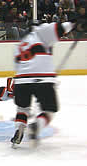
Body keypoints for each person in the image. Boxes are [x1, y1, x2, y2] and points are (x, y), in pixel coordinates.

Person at [11, 18, 86, 147]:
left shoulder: (21, 44)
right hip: (43, 79)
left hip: (21, 80)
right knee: (50, 110)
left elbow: (18, 65)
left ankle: (20, 128)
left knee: (22, 108)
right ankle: (36, 126)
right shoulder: (42, 31)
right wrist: (75, 23)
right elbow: (60, 28)